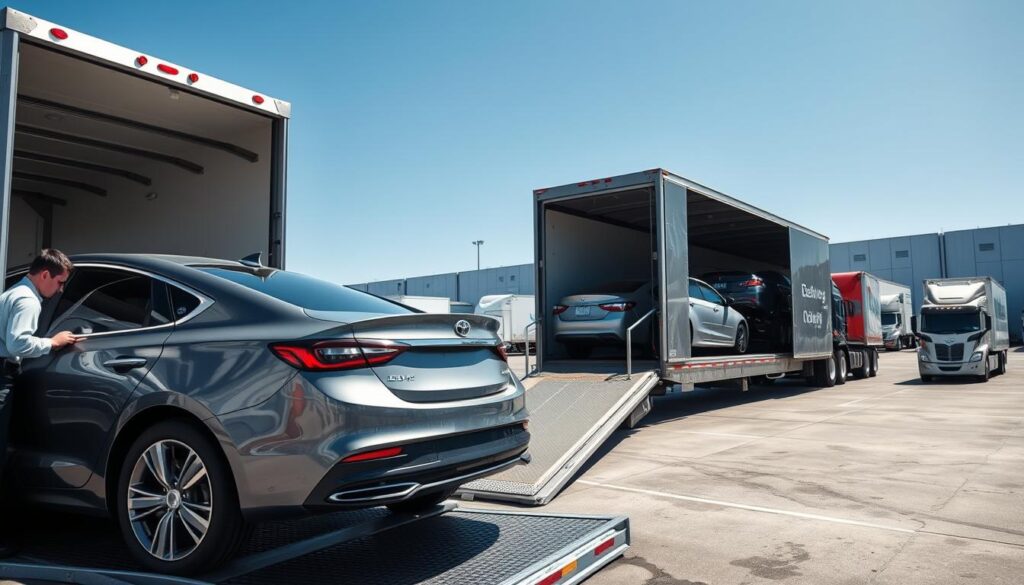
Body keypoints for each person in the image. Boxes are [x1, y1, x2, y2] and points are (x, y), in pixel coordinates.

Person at [0, 249, 81, 557]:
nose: (59, 290)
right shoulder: (27, 300)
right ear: (45, 275)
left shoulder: (12, 292)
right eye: (59, 282)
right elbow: (17, 342)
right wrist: (53, 342)